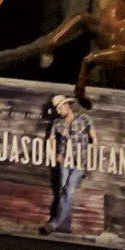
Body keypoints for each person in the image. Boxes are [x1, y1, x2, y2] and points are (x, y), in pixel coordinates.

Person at [39, 94, 94, 237]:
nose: (58, 112)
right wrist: (55, 153)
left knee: (68, 190)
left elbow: (95, 139)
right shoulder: (57, 123)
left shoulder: (84, 119)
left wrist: (93, 155)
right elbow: (51, 139)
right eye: (56, 109)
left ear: (66, 106)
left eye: (59, 108)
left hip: (80, 162)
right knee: (62, 191)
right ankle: (65, 225)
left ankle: (53, 224)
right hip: (65, 162)